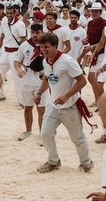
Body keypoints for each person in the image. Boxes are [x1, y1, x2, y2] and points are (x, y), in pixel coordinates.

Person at [35, 32, 94, 173]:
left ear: (55, 46)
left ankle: (86, 163)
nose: (43, 50)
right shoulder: (45, 61)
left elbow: (82, 81)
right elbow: (47, 78)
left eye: (46, 47)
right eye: (41, 47)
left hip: (70, 106)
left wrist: (66, 96)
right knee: (45, 134)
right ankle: (53, 161)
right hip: (53, 105)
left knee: (77, 138)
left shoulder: (68, 61)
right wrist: (39, 93)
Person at [14, 22, 45, 142]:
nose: (34, 35)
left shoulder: (45, 45)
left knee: (41, 109)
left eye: (37, 32)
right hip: (27, 77)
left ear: (42, 32)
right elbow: (17, 60)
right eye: (32, 32)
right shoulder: (24, 45)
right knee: (27, 107)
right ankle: (28, 130)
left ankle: (42, 133)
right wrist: (18, 69)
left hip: (41, 79)